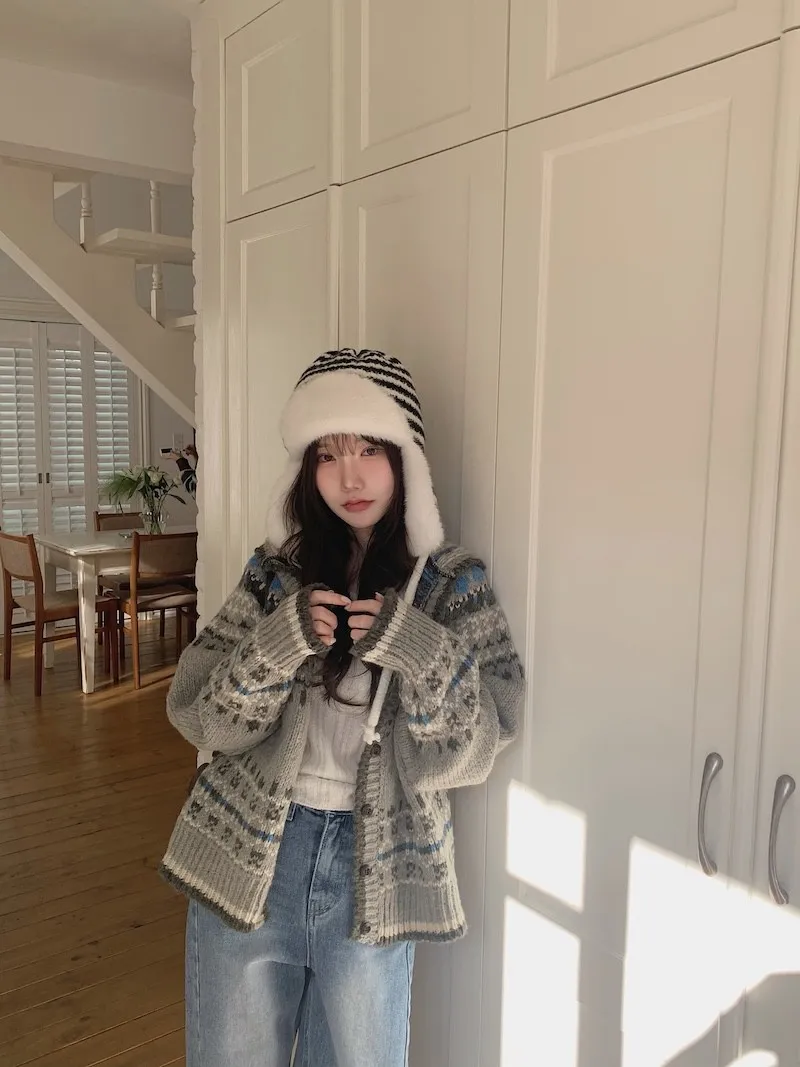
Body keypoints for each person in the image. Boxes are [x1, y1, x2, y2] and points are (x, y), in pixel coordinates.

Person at [160, 348, 524, 1067]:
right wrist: (278, 643)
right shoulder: (276, 573)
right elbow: (198, 715)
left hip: (375, 870)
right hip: (248, 852)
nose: (349, 477)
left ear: (405, 459)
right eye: (327, 455)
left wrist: (416, 645)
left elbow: (475, 748)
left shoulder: (452, 583)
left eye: (368, 450)